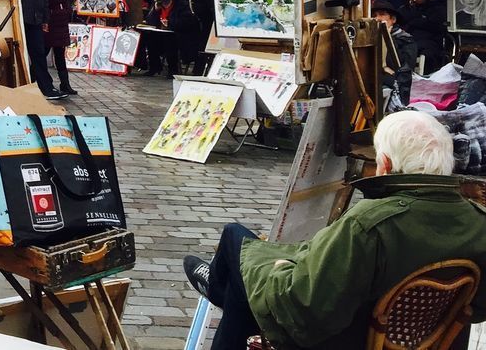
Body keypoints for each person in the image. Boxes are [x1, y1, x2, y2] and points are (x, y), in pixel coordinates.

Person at [183, 110, 486, 350]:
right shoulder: (478, 222)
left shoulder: (371, 223)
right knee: (246, 283)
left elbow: (307, 310)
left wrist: (275, 270)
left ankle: (219, 288)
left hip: (343, 340)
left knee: (236, 238)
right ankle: (227, 289)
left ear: (385, 164)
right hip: (420, 341)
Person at [5, 0, 55, 97]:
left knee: (39, 53)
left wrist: (45, 18)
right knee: (19, 54)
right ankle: (22, 87)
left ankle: (46, 87)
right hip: (20, 18)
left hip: (36, 18)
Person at [374, 0, 417, 106]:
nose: (377, 18)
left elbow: (404, 66)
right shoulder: (370, 38)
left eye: (382, 15)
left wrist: (388, 38)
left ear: (393, 19)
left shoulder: (405, 39)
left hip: (395, 81)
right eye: (374, 15)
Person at [45, 0, 77, 98]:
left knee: (60, 52)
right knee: (44, 50)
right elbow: (46, 2)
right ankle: (36, 79)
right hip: (52, 20)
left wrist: (67, 10)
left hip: (61, 20)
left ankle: (65, 83)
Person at [401, 0, 449, 73]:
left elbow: (437, 26)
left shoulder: (436, 9)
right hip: (410, 40)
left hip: (430, 41)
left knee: (427, 54)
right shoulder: (406, 8)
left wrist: (415, 21)